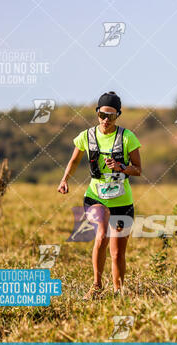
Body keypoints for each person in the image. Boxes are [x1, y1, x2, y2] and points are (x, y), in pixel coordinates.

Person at [58, 91, 142, 298]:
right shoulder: (86, 136)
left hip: (123, 202)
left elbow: (138, 169)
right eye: (102, 115)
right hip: (95, 196)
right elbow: (75, 161)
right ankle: (96, 286)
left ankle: (118, 291)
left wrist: (121, 167)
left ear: (118, 116)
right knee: (102, 233)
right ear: (97, 113)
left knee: (117, 252)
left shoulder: (128, 137)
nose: (106, 120)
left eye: (111, 116)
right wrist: (64, 179)